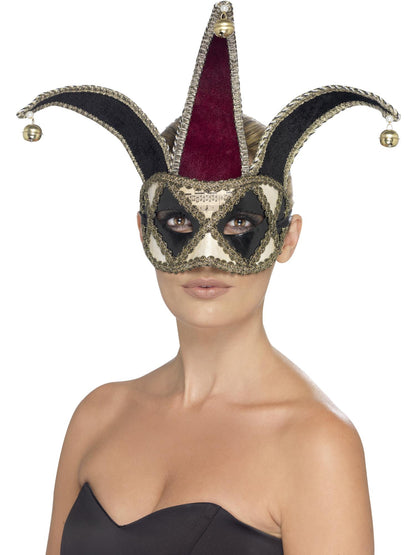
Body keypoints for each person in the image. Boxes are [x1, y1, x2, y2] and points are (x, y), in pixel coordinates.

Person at [18, 3, 399, 554]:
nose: (206, 258)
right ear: (144, 231)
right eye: (178, 223)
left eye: (240, 224)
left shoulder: (315, 443)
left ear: (286, 238)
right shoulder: (98, 416)